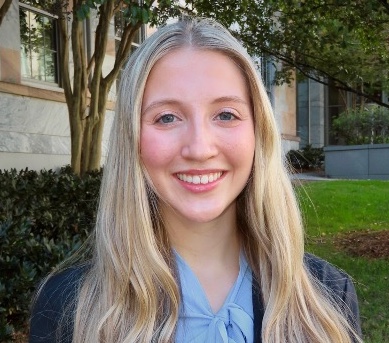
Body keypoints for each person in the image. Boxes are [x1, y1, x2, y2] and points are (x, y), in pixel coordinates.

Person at [29, 17, 362, 343]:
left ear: (258, 132)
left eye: (226, 114)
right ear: (131, 139)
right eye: (168, 117)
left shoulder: (327, 298)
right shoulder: (66, 311)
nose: (200, 148)